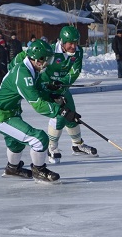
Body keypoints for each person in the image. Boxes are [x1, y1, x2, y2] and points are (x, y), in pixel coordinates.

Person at [0, 39, 72, 183]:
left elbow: (40, 90)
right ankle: (39, 170)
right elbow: (37, 104)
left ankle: (12, 168)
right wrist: (61, 111)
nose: (47, 63)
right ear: (37, 59)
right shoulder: (23, 74)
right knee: (39, 138)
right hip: (1, 116)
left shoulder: (32, 70)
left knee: (17, 143)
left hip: (12, 113)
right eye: (46, 59)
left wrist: (53, 94)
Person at [38, 25, 97, 162]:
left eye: (76, 42)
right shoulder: (50, 50)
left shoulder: (78, 52)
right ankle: (51, 147)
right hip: (47, 88)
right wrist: (48, 83)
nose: (73, 46)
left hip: (62, 88)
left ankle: (77, 145)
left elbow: (74, 72)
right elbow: (39, 68)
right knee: (59, 116)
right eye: (70, 43)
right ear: (62, 42)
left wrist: (62, 83)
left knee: (71, 115)